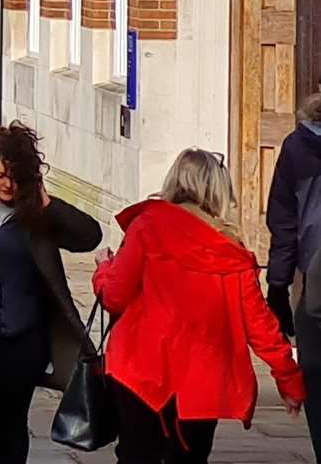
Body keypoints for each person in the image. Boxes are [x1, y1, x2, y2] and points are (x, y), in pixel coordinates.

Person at [96, 148, 305, 462]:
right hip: (201, 384)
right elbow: (261, 326)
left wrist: (103, 269)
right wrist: (288, 380)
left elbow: (113, 296)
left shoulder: (148, 226)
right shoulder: (232, 252)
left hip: (139, 370)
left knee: (135, 455)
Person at [0, 123, 102, 464]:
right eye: (1, 175)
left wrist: (49, 204)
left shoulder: (36, 217)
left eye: (16, 177)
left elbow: (89, 235)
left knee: (12, 424)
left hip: (21, 339)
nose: (7, 185)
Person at [267, 91, 321, 458]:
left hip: (316, 281)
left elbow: (284, 223)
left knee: (317, 377)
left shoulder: (297, 147)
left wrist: (277, 284)